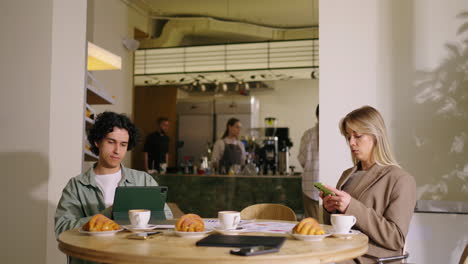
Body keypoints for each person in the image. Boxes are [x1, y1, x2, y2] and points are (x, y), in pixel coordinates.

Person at [320, 106, 416, 264]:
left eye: (357, 136)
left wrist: (351, 206)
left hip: (369, 258)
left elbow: (396, 238)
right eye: (348, 137)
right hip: (342, 251)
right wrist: (330, 209)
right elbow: (337, 227)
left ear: (376, 136)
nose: (351, 143)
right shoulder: (347, 175)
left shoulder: (401, 180)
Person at [54, 112, 173, 239]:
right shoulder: (77, 186)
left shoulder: (143, 180)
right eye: (111, 142)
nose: (117, 150)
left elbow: (166, 220)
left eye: (123, 144)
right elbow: (62, 229)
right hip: (91, 257)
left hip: (132, 255)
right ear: (97, 142)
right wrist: (110, 213)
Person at [298, 104, 320, 220]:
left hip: (310, 185)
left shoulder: (308, 135)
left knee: (312, 222)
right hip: (331, 186)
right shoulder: (336, 133)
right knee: (329, 223)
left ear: (317, 116)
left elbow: (301, 159)